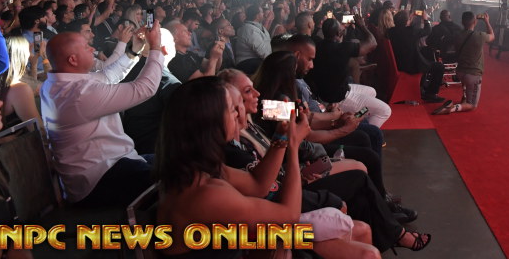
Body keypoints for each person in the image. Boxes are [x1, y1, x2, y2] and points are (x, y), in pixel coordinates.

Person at [155, 77, 381, 259]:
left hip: (254, 239)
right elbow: (288, 216)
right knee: (366, 250)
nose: (241, 112)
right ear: (209, 123)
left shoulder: (199, 168)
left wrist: (282, 136)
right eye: (234, 108)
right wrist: (293, 145)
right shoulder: (204, 192)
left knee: (361, 229)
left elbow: (258, 185)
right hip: (260, 238)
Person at [41, 22, 164, 206]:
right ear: (73, 60)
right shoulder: (78, 94)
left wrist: (134, 50)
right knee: (180, 178)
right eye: (86, 47)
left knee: (178, 160)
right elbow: (144, 89)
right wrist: (156, 47)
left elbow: (107, 76)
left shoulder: (58, 83)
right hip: (99, 179)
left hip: (111, 164)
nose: (92, 48)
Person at [432, 11, 494, 115]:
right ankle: (451, 108)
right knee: (472, 105)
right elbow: (492, 36)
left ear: (462, 22)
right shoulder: (479, 36)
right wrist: (487, 21)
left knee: (466, 81)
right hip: (473, 74)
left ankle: (465, 96)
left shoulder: (457, 35)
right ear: (475, 22)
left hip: (460, 71)